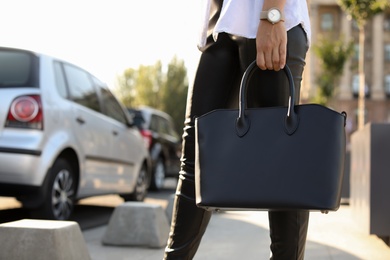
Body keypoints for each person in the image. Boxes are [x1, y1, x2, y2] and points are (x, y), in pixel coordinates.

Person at [164, 0, 311, 259]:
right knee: (196, 161)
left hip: (266, 17)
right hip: (222, 22)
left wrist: (272, 15)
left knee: (282, 164)